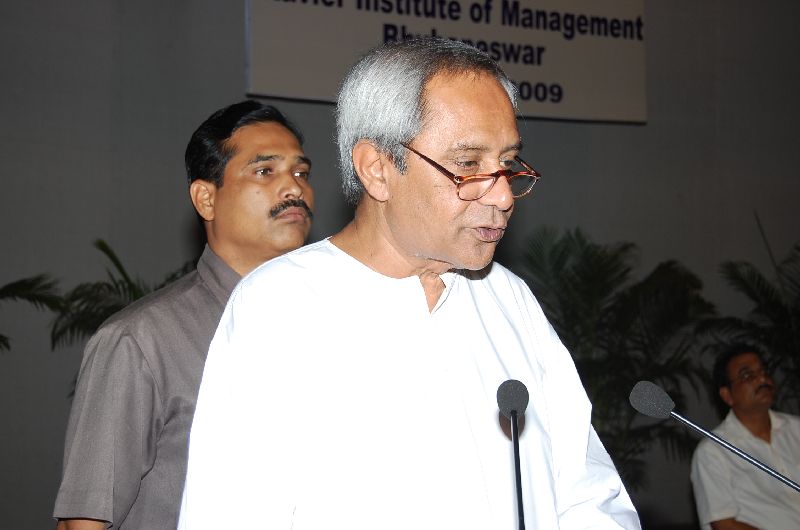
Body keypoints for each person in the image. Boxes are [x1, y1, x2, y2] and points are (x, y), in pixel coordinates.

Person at [179, 38, 639, 529]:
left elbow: (589, 493)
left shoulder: (509, 298)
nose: (503, 196)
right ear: (377, 169)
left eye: (506, 164)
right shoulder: (279, 307)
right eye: (468, 165)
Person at [53, 100, 315, 530]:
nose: (294, 189)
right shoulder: (141, 341)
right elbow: (83, 524)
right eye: (265, 171)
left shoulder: (327, 327)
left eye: (301, 173)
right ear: (206, 199)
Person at [690, 344, 800, 529]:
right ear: (727, 395)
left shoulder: (796, 429)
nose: (763, 379)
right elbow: (724, 524)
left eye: (764, 371)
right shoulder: (713, 451)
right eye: (748, 375)